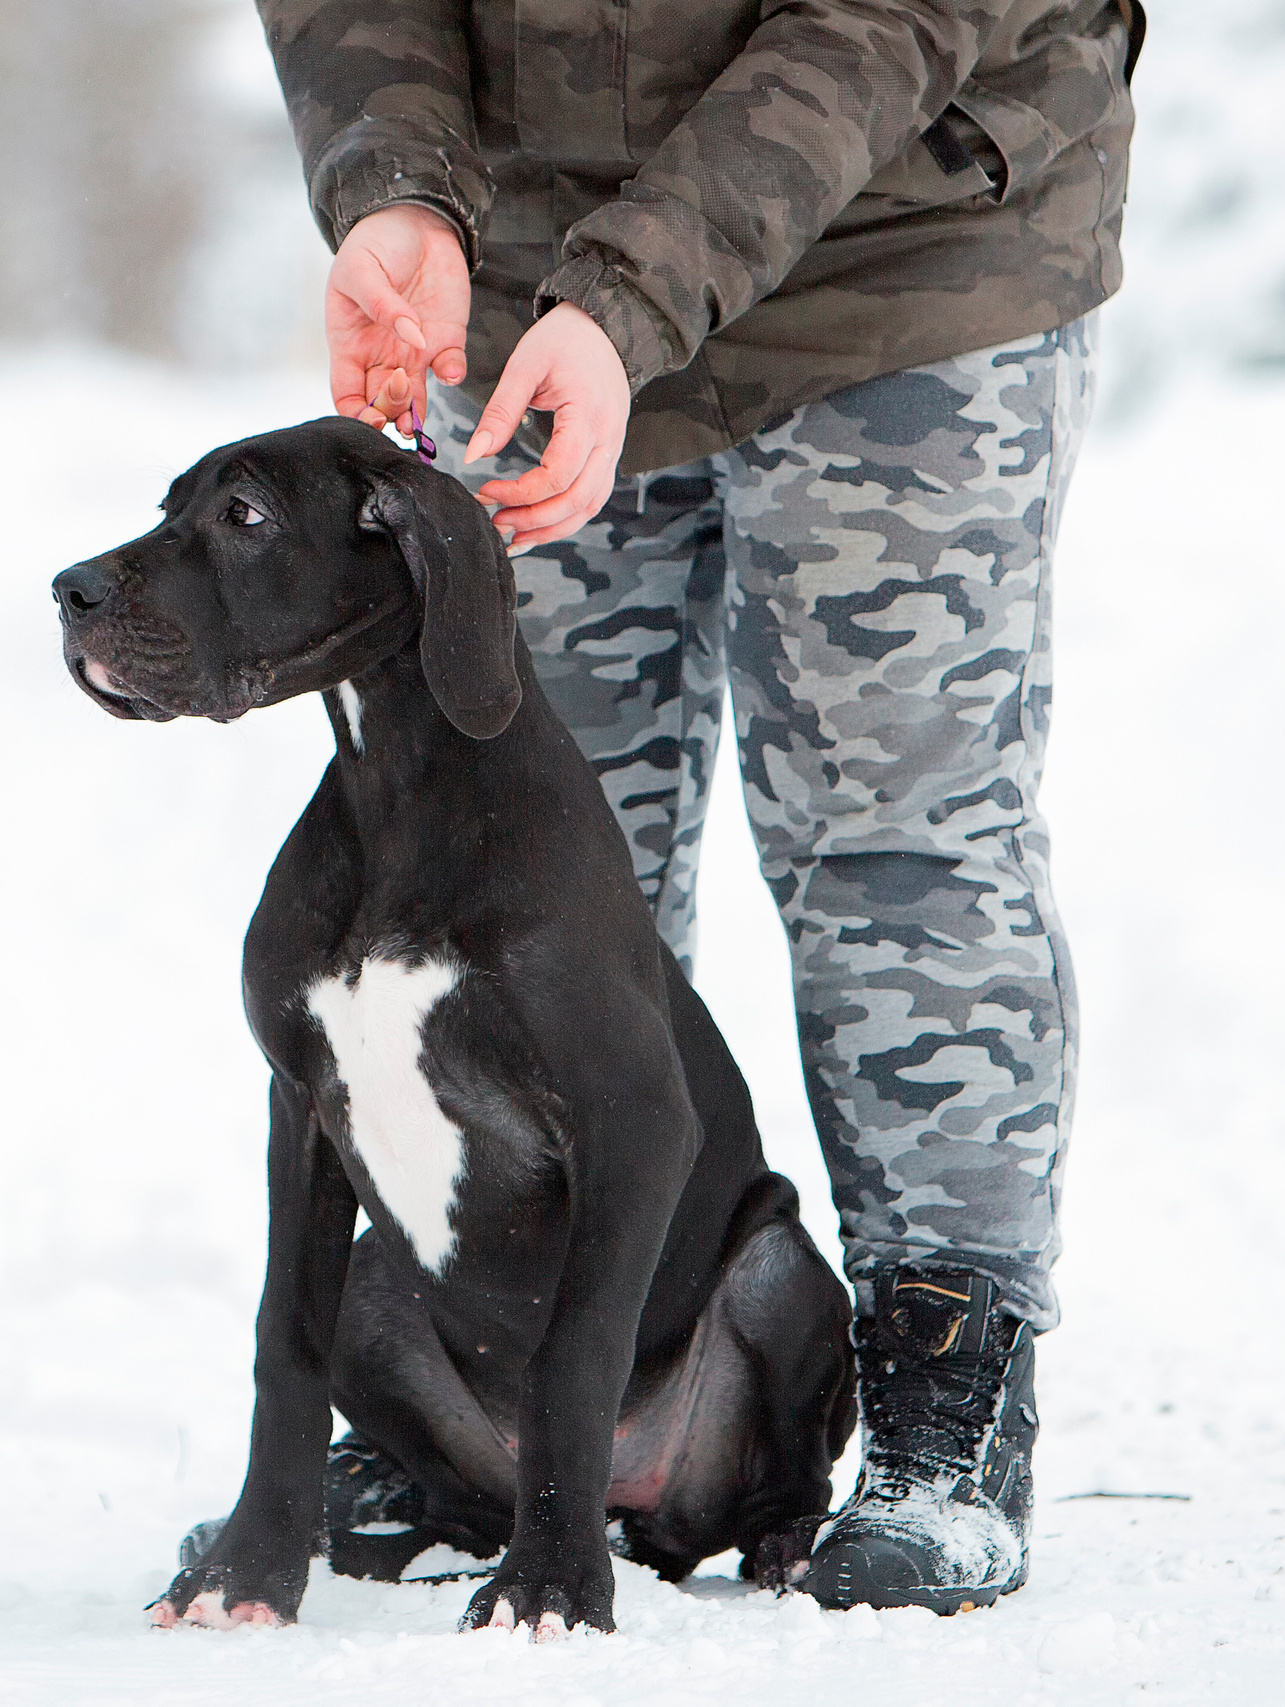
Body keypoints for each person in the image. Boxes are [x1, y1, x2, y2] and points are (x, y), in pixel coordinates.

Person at [259, 0, 1140, 1613]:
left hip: (908, 247)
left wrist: (628, 295)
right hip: (532, 266)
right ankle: (492, 1393)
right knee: (502, 848)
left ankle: (949, 1365)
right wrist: (400, 187)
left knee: (899, 831)